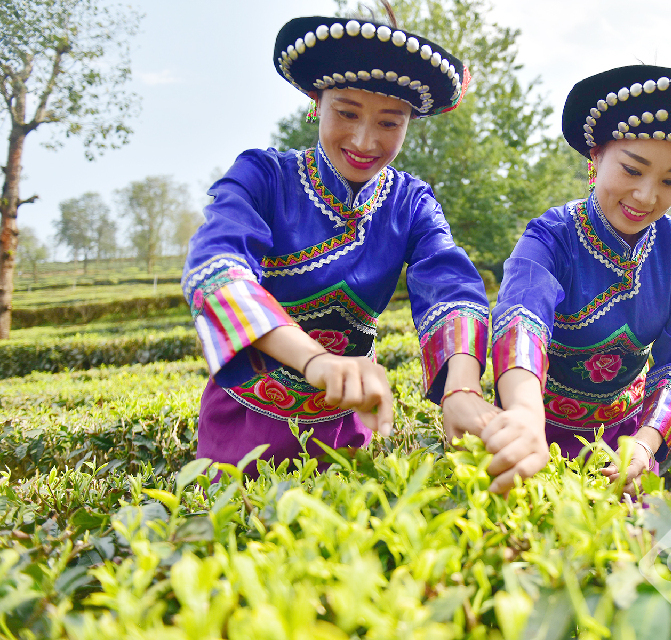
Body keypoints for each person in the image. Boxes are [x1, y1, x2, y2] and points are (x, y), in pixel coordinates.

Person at [182, 10, 497, 476]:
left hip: (350, 427)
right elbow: (216, 271)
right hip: (243, 427)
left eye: (390, 123)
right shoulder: (263, 178)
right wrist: (315, 361)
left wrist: (463, 389)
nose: (365, 140)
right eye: (347, 113)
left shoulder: (411, 203)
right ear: (316, 102)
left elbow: (452, 291)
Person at [483, 65, 671, 494]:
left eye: (670, 181)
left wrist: (646, 446)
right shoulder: (551, 237)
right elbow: (521, 320)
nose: (647, 196)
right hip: (534, 429)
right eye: (632, 170)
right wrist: (523, 416)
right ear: (596, 158)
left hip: (629, 440)